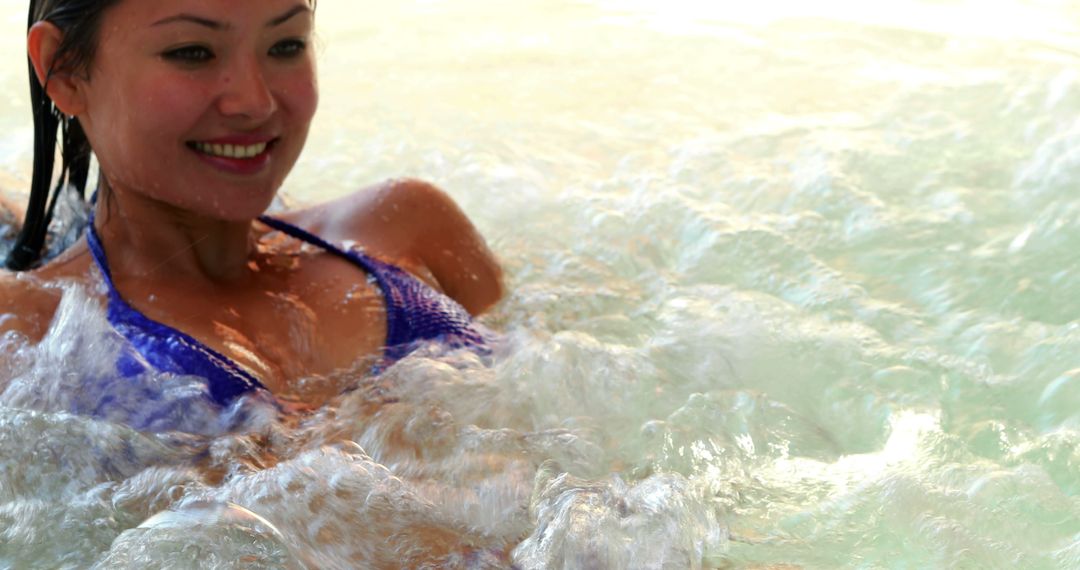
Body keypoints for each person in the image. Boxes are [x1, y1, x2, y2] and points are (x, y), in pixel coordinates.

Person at [0, 0, 505, 410]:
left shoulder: (406, 227)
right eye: (193, 52)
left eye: (285, 45)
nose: (255, 103)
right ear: (62, 70)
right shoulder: (30, 330)